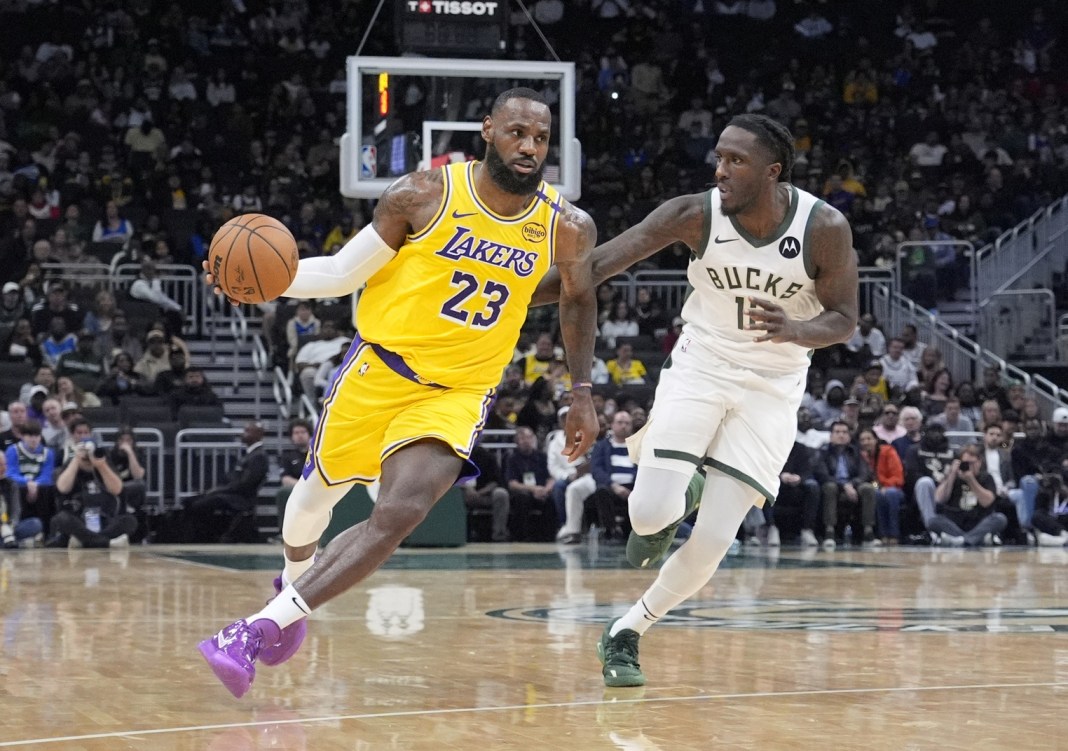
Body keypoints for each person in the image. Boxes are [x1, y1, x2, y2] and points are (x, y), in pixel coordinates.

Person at [197, 88, 599, 698]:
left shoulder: (565, 227)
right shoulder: (422, 194)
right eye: (517, 132)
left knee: (399, 512)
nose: (529, 147)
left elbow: (576, 299)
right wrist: (261, 281)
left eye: (540, 139)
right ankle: (293, 580)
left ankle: (252, 632)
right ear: (488, 129)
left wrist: (584, 390)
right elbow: (340, 273)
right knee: (310, 504)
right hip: (380, 370)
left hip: (459, 391)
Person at [533, 113, 857, 686]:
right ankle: (691, 483)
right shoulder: (695, 213)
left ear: (772, 171)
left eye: (736, 161)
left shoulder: (823, 226)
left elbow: (844, 319)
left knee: (711, 542)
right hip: (702, 364)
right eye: (719, 158)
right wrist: (508, 297)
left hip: (773, 385)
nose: (720, 170)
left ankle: (627, 631)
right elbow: (596, 266)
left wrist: (796, 330)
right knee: (649, 515)